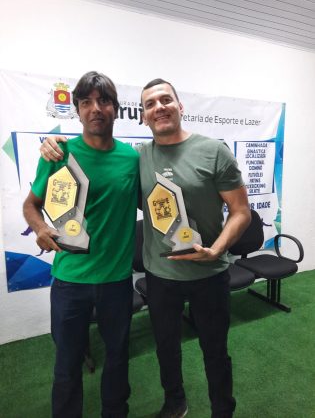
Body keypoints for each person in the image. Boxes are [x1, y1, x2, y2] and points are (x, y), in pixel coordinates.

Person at [40, 78, 251, 418]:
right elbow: (97, 166)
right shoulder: (138, 158)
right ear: (142, 116)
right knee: (166, 350)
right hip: (159, 275)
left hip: (209, 273)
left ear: (180, 107)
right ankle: (175, 404)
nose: (159, 107)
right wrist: (51, 142)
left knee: (215, 350)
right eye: (150, 104)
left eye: (166, 99)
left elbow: (242, 212)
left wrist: (217, 249)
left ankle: (222, 410)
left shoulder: (214, 151)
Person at [23, 71, 139, 418]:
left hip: (117, 282)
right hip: (70, 282)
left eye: (103, 101)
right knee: (67, 364)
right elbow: (30, 205)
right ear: (76, 110)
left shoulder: (132, 159)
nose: (95, 108)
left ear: (116, 109)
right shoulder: (58, 154)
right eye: (86, 102)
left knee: (118, 359)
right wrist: (40, 228)